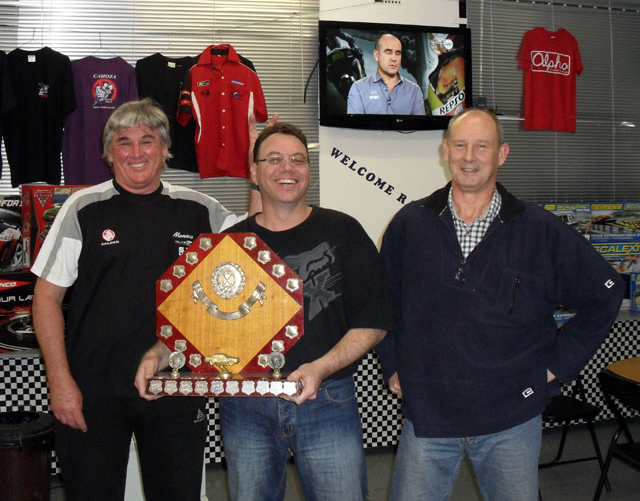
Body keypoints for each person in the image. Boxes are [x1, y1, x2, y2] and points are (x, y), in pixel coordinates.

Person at [376, 108, 625, 500]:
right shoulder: (410, 224)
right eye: (460, 145)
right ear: (445, 151)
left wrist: (556, 366)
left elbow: (607, 291)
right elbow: (382, 301)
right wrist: (392, 364)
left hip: (511, 417)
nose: (469, 156)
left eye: (482, 146)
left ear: (502, 154)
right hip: (428, 415)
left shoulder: (539, 230)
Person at [138, 122, 394, 500]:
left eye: (297, 160)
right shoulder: (227, 245)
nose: (286, 168)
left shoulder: (343, 231)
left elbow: (374, 321)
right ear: (254, 172)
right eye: (273, 159)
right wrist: (158, 355)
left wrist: (321, 368)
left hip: (327, 401)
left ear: (309, 169)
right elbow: (196, 324)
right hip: (245, 406)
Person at [31, 98, 265, 500]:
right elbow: (46, 298)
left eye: (148, 140)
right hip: (92, 391)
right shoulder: (82, 208)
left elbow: (255, 242)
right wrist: (59, 381)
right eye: (124, 142)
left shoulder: (198, 210)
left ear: (165, 149)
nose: (136, 152)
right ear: (108, 153)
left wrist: (255, 167)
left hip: (175, 385)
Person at [347, 33, 425, 115]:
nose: (394, 58)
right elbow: (356, 123)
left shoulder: (414, 90)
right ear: (376, 55)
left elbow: (419, 124)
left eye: (398, 53)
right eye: (388, 52)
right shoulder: (358, 88)